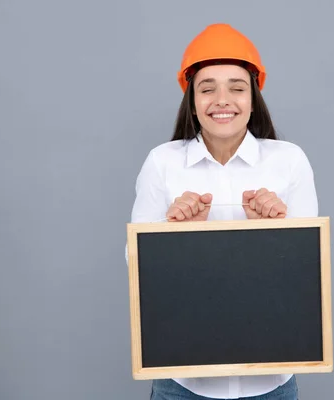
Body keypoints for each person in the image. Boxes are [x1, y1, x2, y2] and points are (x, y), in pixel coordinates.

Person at [128, 23, 318, 400]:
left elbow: (306, 275)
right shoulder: (162, 163)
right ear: (192, 99)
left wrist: (273, 235)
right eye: (207, 88)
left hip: (271, 384)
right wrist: (181, 237)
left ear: (253, 96)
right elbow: (140, 274)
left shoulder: (289, 161)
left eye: (236, 87)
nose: (222, 99)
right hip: (182, 384)